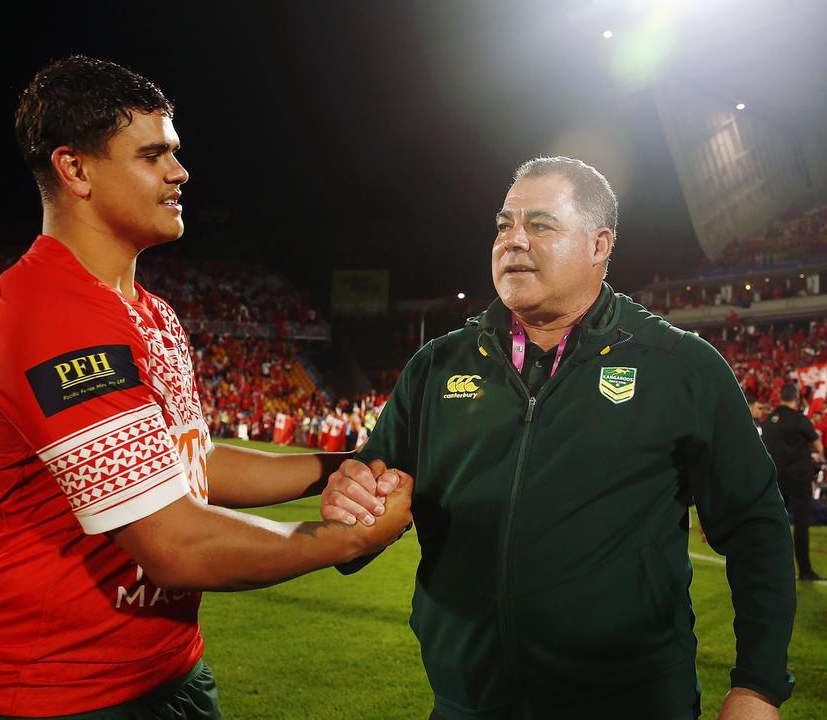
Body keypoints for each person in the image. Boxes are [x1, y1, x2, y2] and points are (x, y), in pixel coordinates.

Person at [0, 56, 411, 720]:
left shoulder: (151, 311)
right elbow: (175, 544)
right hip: (49, 694)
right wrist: (343, 540)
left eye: (174, 154)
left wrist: (340, 468)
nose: (179, 173)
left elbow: (193, 464)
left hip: (165, 670)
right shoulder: (50, 311)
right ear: (75, 170)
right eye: (152, 155)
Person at [323, 157, 796, 719]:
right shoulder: (436, 365)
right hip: (465, 705)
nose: (513, 241)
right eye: (504, 225)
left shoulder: (680, 366)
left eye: (540, 225)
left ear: (599, 245)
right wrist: (349, 501)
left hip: (632, 706)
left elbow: (755, 527)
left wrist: (758, 686)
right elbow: (369, 496)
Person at [760, 382, 827, 582]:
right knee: (801, 524)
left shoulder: (769, 421)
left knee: (773, 524)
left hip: (776, 478)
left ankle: (770, 568)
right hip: (798, 477)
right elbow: (819, 446)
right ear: (796, 398)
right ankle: (805, 570)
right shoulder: (799, 419)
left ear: (780, 397)